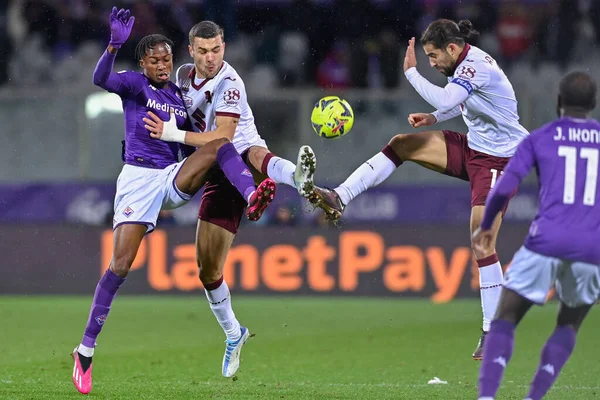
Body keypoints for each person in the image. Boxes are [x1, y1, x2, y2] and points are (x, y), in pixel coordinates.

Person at [71, 8, 276, 395]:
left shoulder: (180, 96)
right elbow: (100, 78)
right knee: (121, 264)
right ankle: (84, 351)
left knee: (218, 142)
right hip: (137, 181)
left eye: (167, 59)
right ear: (144, 63)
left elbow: (210, 129)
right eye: (155, 60)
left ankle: (253, 195)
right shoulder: (133, 85)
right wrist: (114, 44)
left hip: (171, 177)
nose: (163, 65)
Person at [299, 19, 529, 359]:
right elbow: (461, 103)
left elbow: (451, 95)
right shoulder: (461, 62)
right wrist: (435, 118)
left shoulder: (476, 66)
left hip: (501, 160)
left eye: (434, 56)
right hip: (475, 148)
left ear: (451, 48)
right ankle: (340, 196)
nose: (432, 63)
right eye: (427, 58)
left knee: (482, 240)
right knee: (403, 144)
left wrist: (411, 73)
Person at [142, 21, 315, 379]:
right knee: (207, 270)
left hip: (241, 163)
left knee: (249, 151)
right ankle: (234, 334)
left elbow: (222, 136)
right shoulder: (184, 74)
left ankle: (293, 178)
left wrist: (172, 132)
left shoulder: (231, 84)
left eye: (216, 50)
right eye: (203, 51)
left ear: (225, 47)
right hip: (214, 173)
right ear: (191, 50)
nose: (210, 58)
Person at [474, 72, 600, 400]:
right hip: (591, 249)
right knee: (568, 324)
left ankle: (487, 397)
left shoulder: (540, 138)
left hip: (545, 242)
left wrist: (486, 227)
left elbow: (503, 187)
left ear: (559, 102)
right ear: (594, 105)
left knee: (505, 318)